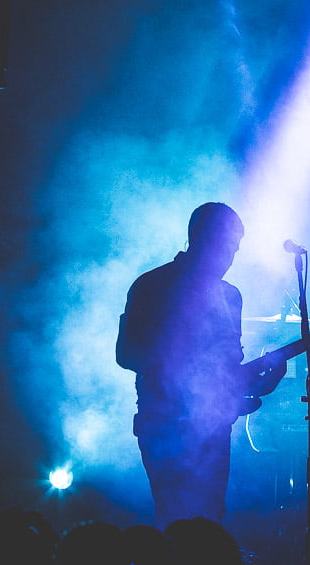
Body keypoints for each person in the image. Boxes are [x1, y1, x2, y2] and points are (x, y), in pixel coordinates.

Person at [116, 202, 285, 528]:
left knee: (209, 520)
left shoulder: (230, 296)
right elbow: (126, 354)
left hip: (214, 428)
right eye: (227, 245)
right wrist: (188, 374)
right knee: (175, 520)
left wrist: (263, 381)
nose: (231, 255)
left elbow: (229, 370)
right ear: (200, 238)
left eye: (235, 247)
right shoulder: (153, 285)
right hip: (165, 425)